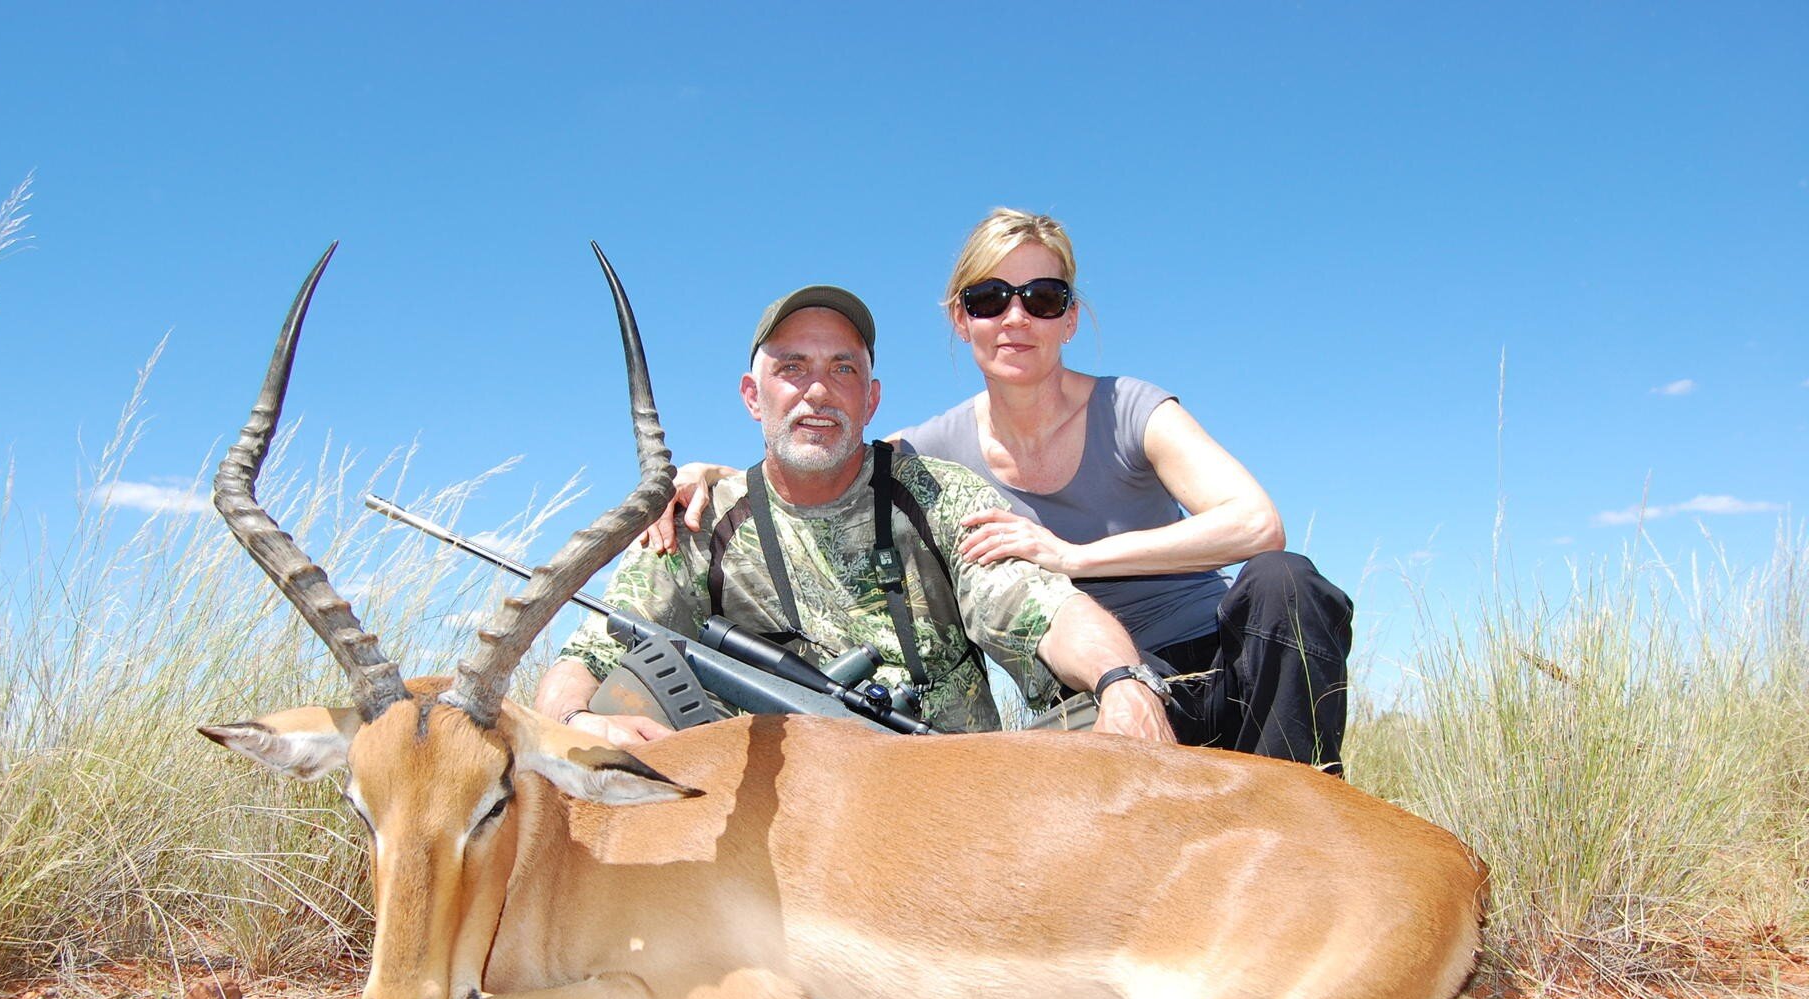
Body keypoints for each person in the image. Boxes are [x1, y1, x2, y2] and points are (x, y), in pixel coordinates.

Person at [647, 210, 1352, 771]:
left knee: (1285, 583)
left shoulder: (1134, 409)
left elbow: (1257, 524)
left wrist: (1068, 555)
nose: (1015, 319)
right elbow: (827, 453)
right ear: (962, 319)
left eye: (1043, 299)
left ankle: (1307, 808)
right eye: (990, 299)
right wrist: (710, 477)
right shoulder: (935, 449)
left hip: (1216, 661)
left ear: (1070, 319)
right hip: (1086, 689)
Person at [535, 285, 1174, 746]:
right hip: (784, 830)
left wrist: (1124, 682)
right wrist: (574, 724)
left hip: (955, 797)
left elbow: (1041, 608)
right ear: (753, 396)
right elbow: (593, 651)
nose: (818, 389)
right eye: (792, 368)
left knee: (1101, 729)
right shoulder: (699, 521)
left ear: (870, 400)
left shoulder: (937, 495)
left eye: (843, 368)